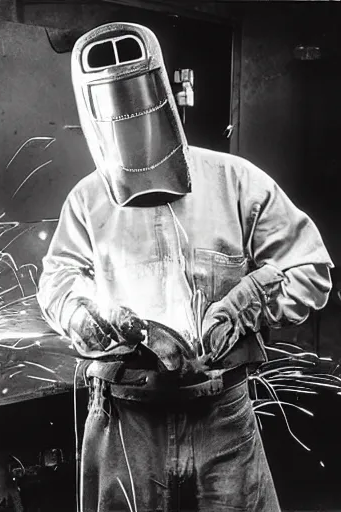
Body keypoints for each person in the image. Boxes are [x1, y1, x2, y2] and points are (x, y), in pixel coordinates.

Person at [37, 22, 333, 512]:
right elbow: (58, 281)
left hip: (221, 415)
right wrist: (76, 314)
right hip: (126, 420)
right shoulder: (88, 199)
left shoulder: (235, 181)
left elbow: (311, 269)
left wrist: (246, 305)